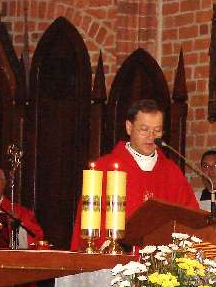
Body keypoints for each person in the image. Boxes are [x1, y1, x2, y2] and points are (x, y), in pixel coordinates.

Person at [70, 99, 199, 251]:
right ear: (129, 127)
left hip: (164, 261)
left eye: (157, 131)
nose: (151, 137)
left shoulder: (172, 172)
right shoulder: (104, 167)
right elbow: (88, 219)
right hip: (116, 258)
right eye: (144, 129)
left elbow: (191, 218)